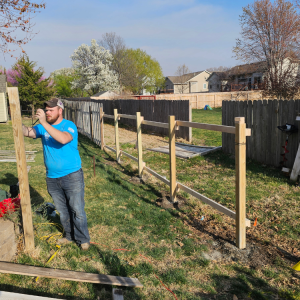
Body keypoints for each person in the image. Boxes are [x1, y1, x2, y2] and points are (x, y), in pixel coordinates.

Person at [22, 98, 90, 250]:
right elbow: (27, 132)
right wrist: (16, 120)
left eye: (51, 110)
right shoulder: (42, 127)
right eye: (46, 110)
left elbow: (63, 139)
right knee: (63, 211)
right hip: (52, 177)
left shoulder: (68, 125)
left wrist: (44, 124)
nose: (47, 113)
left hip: (72, 175)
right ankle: (69, 236)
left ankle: (83, 239)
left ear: (60, 110)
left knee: (77, 210)